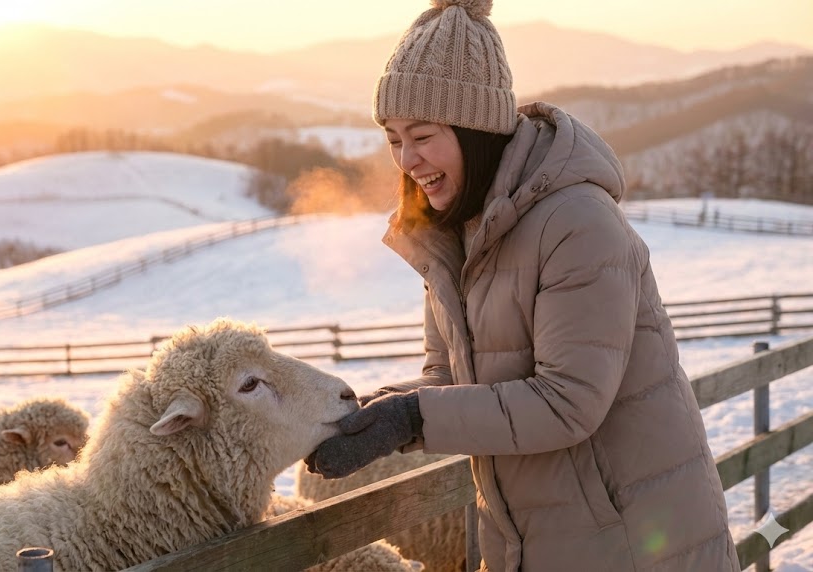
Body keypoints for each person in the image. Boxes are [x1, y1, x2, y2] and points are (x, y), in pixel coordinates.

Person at [303, 1, 742, 570]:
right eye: (392, 139)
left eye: (422, 135)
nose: (406, 160)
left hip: (636, 541)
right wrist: (385, 412)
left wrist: (412, 417)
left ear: (475, 127)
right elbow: (451, 381)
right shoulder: (452, 236)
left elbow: (568, 402)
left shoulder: (577, 222)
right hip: (534, 539)